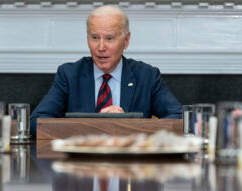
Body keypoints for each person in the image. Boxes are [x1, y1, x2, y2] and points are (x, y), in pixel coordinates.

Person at [30, 5, 181, 137]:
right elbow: (35, 122)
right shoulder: (70, 75)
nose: (101, 47)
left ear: (126, 40)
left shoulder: (146, 76)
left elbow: (180, 119)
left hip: (132, 163)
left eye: (109, 38)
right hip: (81, 163)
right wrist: (95, 125)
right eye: (95, 37)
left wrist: (126, 127)